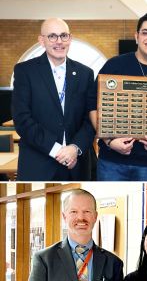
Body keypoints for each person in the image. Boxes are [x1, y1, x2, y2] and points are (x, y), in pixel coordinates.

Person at [89, 12, 147, 181]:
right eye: (145, 32)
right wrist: (109, 141)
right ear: (136, 36)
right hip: (111, 162)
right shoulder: (113, 66)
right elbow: (92, 105)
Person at [12, 18, 95, 181]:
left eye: (63, 36)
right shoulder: (25, 71)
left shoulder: (85, 74)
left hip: (76, 165)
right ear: (41, 40)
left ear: (70, 39)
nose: (59, 41)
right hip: (39, 164)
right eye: (52, 36)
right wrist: (56, 150)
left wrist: (74, 148)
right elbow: (22, 119)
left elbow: (90, 119)